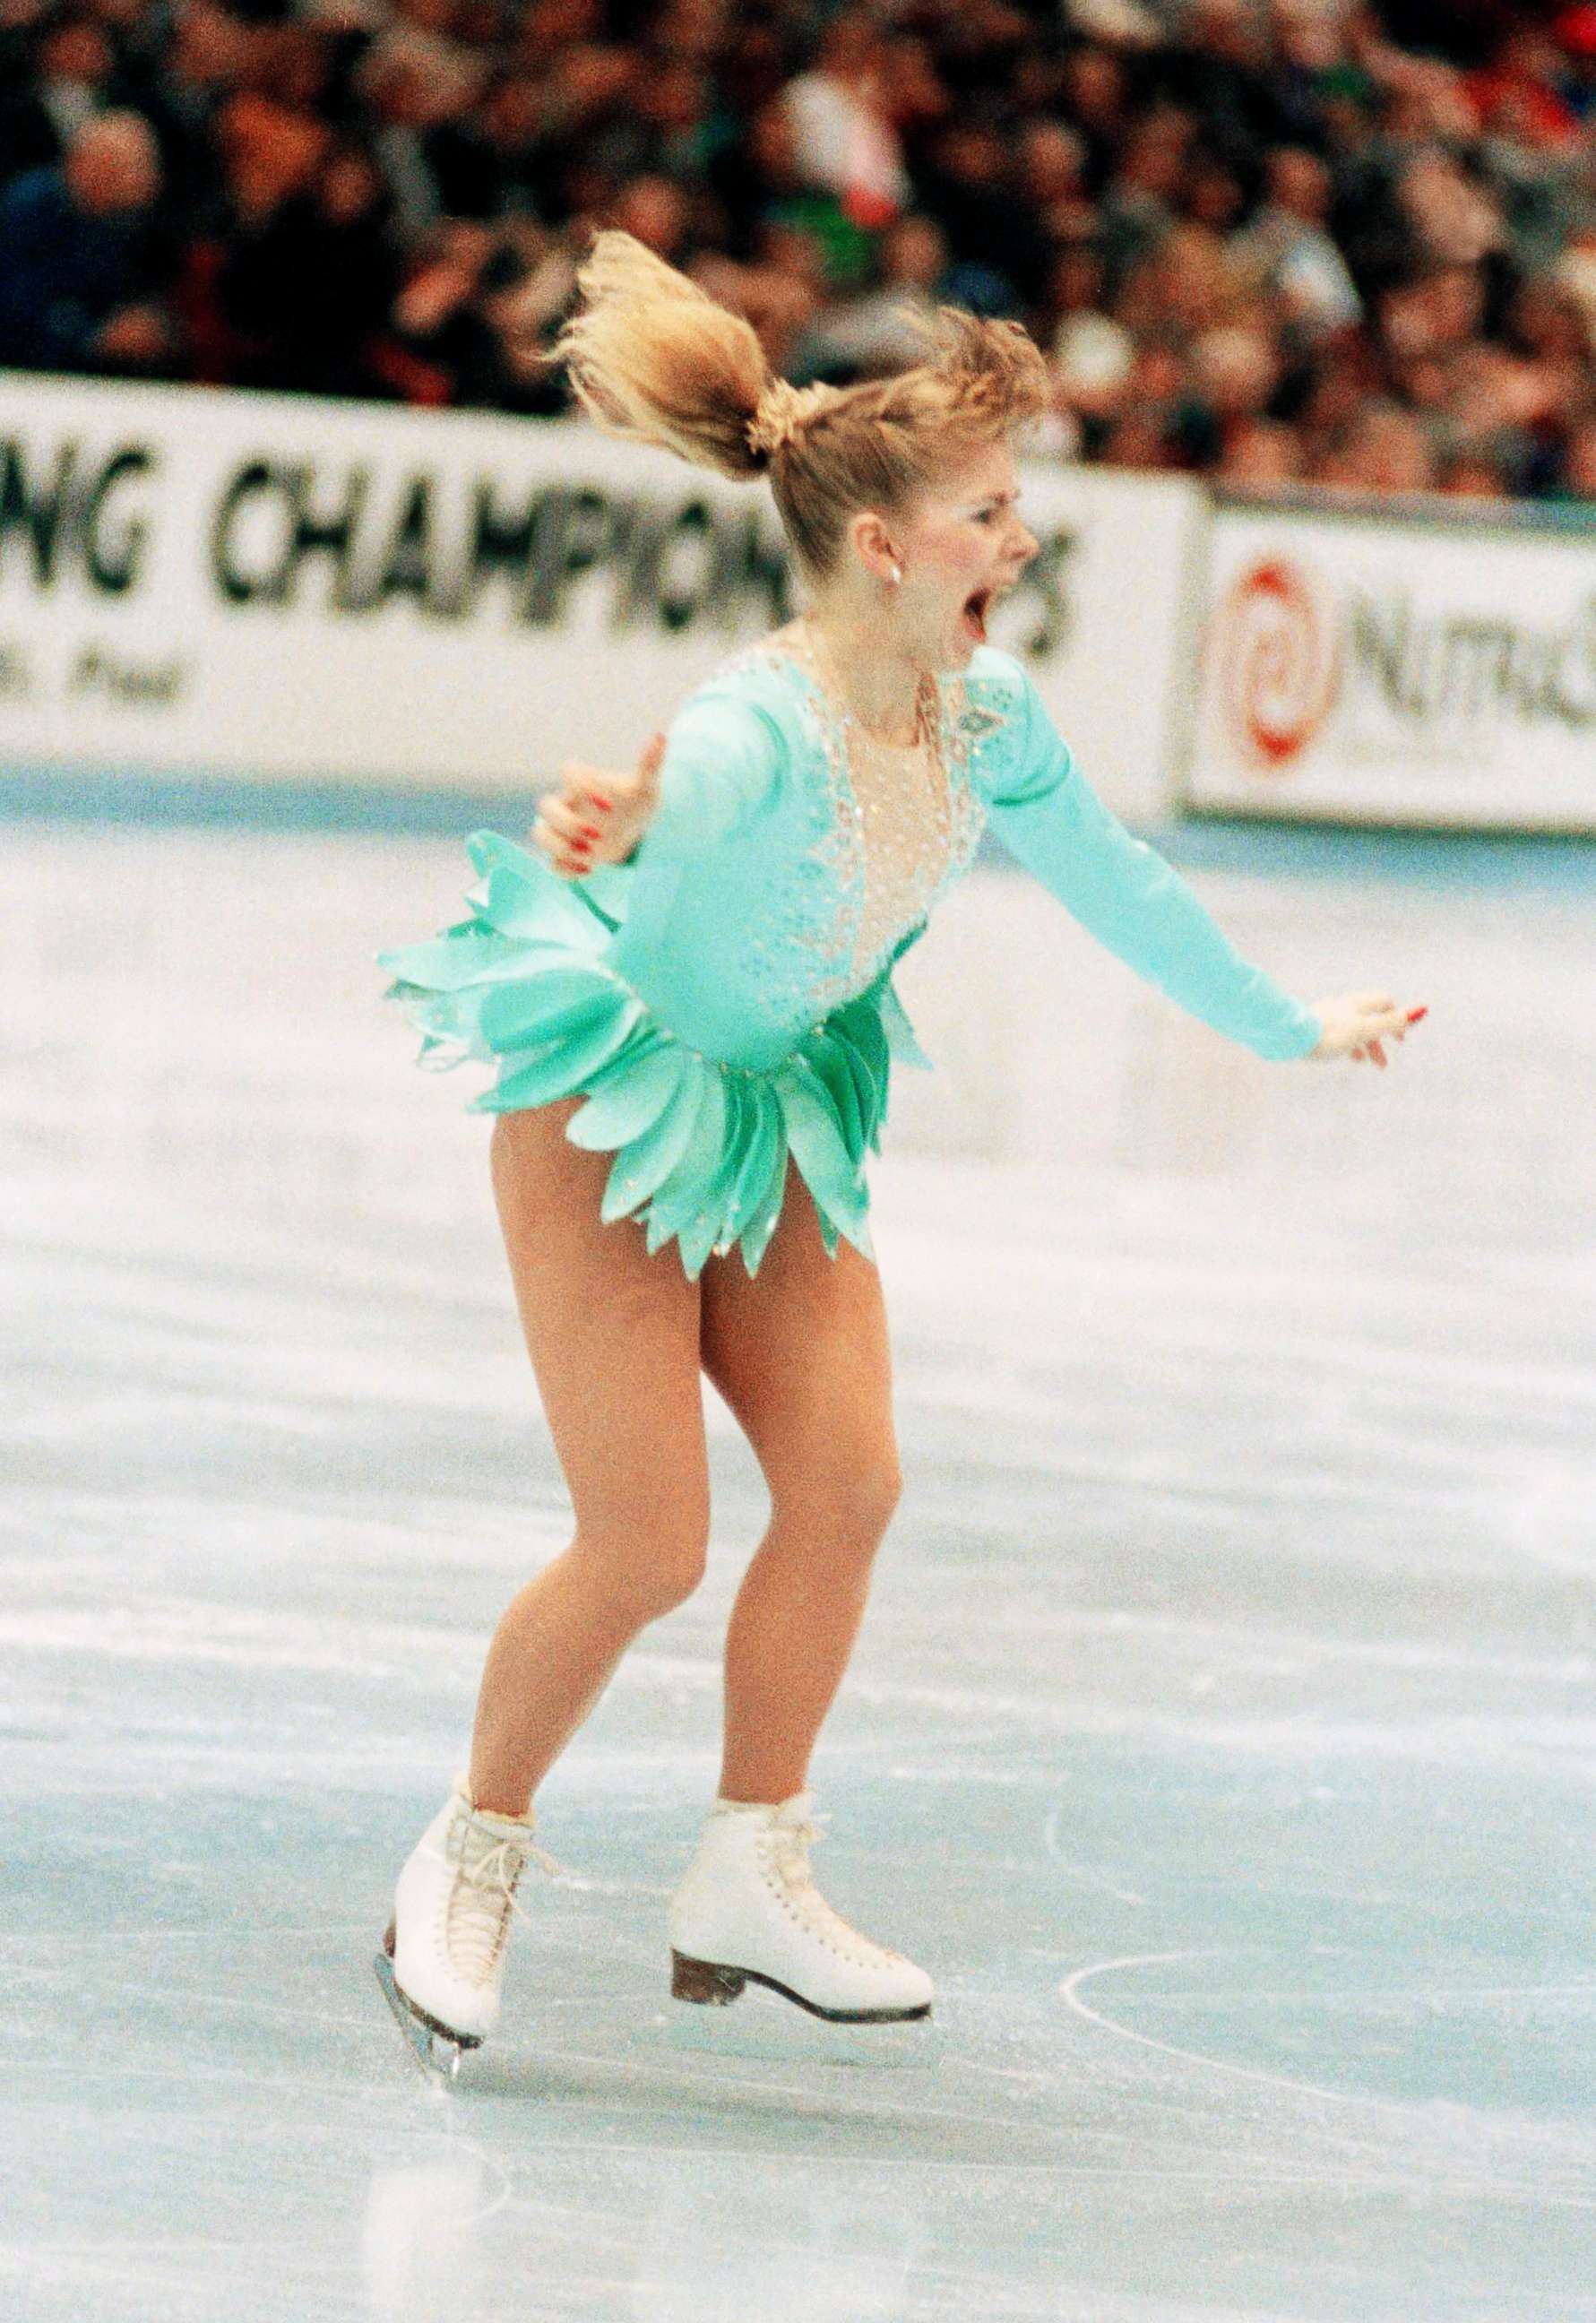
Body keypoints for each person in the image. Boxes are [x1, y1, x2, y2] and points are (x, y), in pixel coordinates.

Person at [373, 229, 1425, 2074]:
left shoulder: (988, 715)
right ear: (885, 543)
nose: (1020, 539)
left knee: (849, 1488)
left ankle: (746, 1871)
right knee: (646, 1543)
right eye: (993, 513)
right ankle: (468, 1852)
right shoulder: (761, 719)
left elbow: (1126, 884)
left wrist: (1289, 1021)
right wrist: (622, 817)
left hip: (781, 1100)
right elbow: (688, 779)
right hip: (616, 1103)